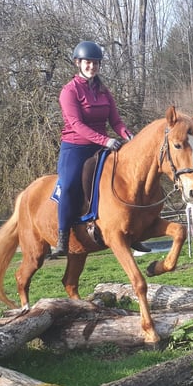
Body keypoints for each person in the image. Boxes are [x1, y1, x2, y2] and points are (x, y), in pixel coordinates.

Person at [52, 40, 136, 257]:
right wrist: (106, 141)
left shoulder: (104, 91)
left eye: (96, 63)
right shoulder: (68, 92)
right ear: (78, 63)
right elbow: (77, 126)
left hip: (101, 146)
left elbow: (115, 121)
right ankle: (62, 236)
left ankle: (133, 232)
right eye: (88, 62)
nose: (92, 66)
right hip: (76, 147)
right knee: (69, 185)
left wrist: (128, 135)